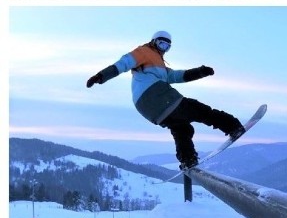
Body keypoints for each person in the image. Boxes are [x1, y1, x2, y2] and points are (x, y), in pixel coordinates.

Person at [85, 31, 244, 170]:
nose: (164, 48)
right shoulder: (145, 51)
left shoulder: (159, 66)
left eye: (167, 46)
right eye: (161, 44)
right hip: (157, 96)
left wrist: (200, 72)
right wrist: (101, 76)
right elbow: (123, 63)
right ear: (154, 41)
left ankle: (187, 159)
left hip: (149, 109)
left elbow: (176, 76)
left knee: (182, 128)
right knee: (200, 111)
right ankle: (233, 126)